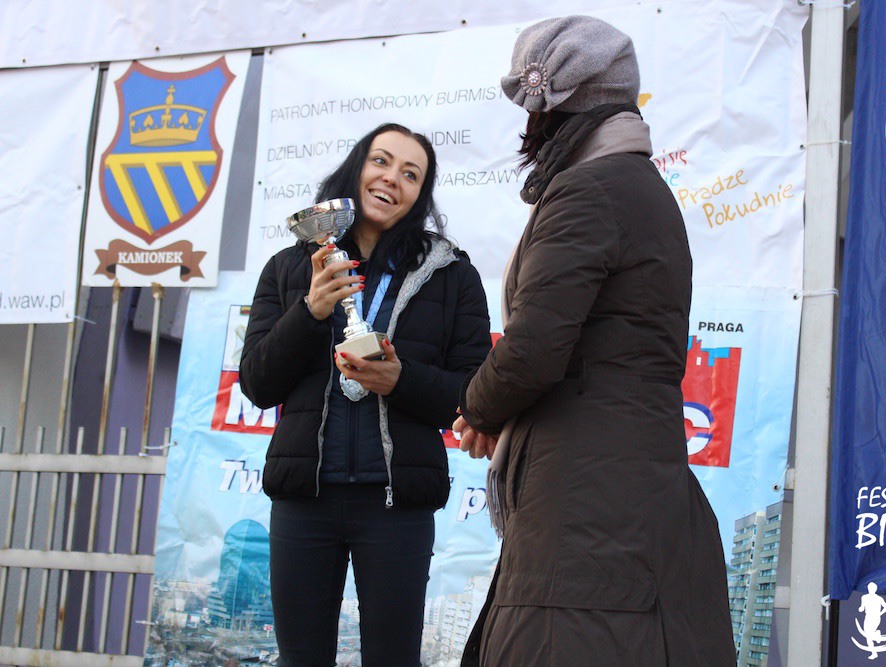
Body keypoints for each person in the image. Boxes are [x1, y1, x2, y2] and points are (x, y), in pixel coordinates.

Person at [453, 16, 736, 666]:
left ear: (555, 109)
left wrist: (477, 408)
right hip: (625, 491)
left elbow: (533, 349)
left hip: (584, 502)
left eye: (532, 113)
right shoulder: (641, 188)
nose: (527, 131)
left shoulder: (588, 190)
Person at [240, 123, 492, 667]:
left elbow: (474, 394)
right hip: (303, 500)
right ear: (356, 168)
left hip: (397, 504)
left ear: (420, 195)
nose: (391, 179)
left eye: (410, 174)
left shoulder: (451, 276)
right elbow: (258, 385)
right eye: (381, 161)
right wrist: (310, 311)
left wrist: (400, 381)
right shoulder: (289, 268)